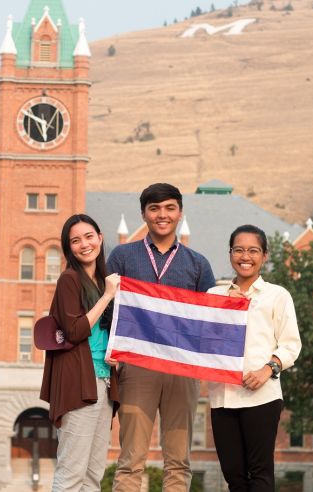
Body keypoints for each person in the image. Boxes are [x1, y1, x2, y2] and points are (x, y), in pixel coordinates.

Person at [106, 183, 216, 492]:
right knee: (130, 460)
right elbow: (106, 309)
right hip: (137, 368)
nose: (162, 215)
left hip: (182, 369)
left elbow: (209, 319)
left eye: (169, 208)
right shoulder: (123, 256)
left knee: (178, 461)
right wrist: (111, 348)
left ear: (180, 213)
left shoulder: (198, 264)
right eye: (154, 209)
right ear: (144, 214)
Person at [207, 224, 302, 492]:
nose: (245, 256)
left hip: (262, 396)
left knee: (260, 473)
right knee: (234, 474)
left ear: (264, 256)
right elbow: (203, 341)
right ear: (230, 254)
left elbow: (290, 345)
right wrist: (227, 309)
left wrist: (268, 369)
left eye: (253, 250)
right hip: (222, 396)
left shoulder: (277, 295)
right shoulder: (213, 296)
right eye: (239, 250)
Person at [40, 214, 121, 492]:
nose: (84, 244)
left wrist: (115, 354)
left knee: (92, 475)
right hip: (77, 385)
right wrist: (108, 296)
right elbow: (74, 331)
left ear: (100, 238)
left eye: (89, 236)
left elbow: (103, 334)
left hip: (103, 382)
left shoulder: (100, 282)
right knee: (72, 473)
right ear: (68, 248)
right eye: (75, 240)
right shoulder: (69, 280)